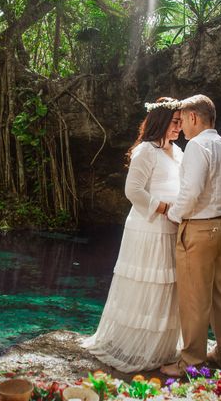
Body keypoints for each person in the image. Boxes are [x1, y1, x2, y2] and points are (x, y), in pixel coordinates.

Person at [83, 97, 184, 372]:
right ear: (161, 121)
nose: (180, 127)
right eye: (176, 122)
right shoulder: (145, 151)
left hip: (173, 228)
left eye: (181, 122)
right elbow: (133, 191)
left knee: (167, 284)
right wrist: (164, 208)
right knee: (147, 282)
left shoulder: (177, 152)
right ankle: (136, 345)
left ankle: (161, 345)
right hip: (148, 229)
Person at [161, 94, 221, 376]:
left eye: (182, 119)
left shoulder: (196, 146)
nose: (181, 127)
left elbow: (190, 192)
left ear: (194, 117)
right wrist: (219, 205)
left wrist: (174, 215)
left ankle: (191, 362)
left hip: (199, 229)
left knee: (194, 297)